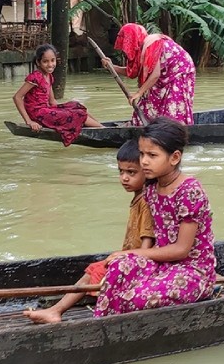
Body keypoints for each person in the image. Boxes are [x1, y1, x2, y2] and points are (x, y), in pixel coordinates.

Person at [23, 139, 155, 324]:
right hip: (127, 258)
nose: (124, 178)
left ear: (147, 173)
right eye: (121, 172)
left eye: (131, 173)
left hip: (134, 262)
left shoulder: (146, 202)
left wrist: (123, 260)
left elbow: (146, 245)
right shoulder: (139, 199)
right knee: (92, 270)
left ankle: (56, 310)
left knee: (93, 272)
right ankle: (56, 308)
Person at [95, 116, 216, 316]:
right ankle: (101, 322)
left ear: (174, 158)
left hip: (193, 271)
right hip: (162, 263)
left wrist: (131, 253)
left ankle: (116, 322)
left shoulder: (190, 191)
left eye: (152, 155)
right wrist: (127, 258)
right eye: (142, 154)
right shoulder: (151, 189)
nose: (144, 161)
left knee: (137, 297)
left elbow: (181, 250)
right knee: (118, 267)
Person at [13, 43, 103, 146]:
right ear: (38, 62)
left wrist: (64, 110)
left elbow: (52, 101)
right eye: (45, 61)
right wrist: (29, 121)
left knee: (76, 106)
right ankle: (103, 129)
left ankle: (100, 127)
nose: (50, 65)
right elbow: (17, 97)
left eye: (52, 60)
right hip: (37, 114)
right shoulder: (35, 77)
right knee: (77, 113)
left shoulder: (49, 76)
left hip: (46, 110)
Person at [108, 23, 196, 126]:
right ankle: (141, 124)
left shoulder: (152, 45)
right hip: (164, 74)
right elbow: (133, 72)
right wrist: (112, 67)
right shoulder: (142, 49)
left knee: (171, 103)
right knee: (149, 96)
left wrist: (138, 93)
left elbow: (155, 75)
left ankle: (173, 128)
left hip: (178, 72)